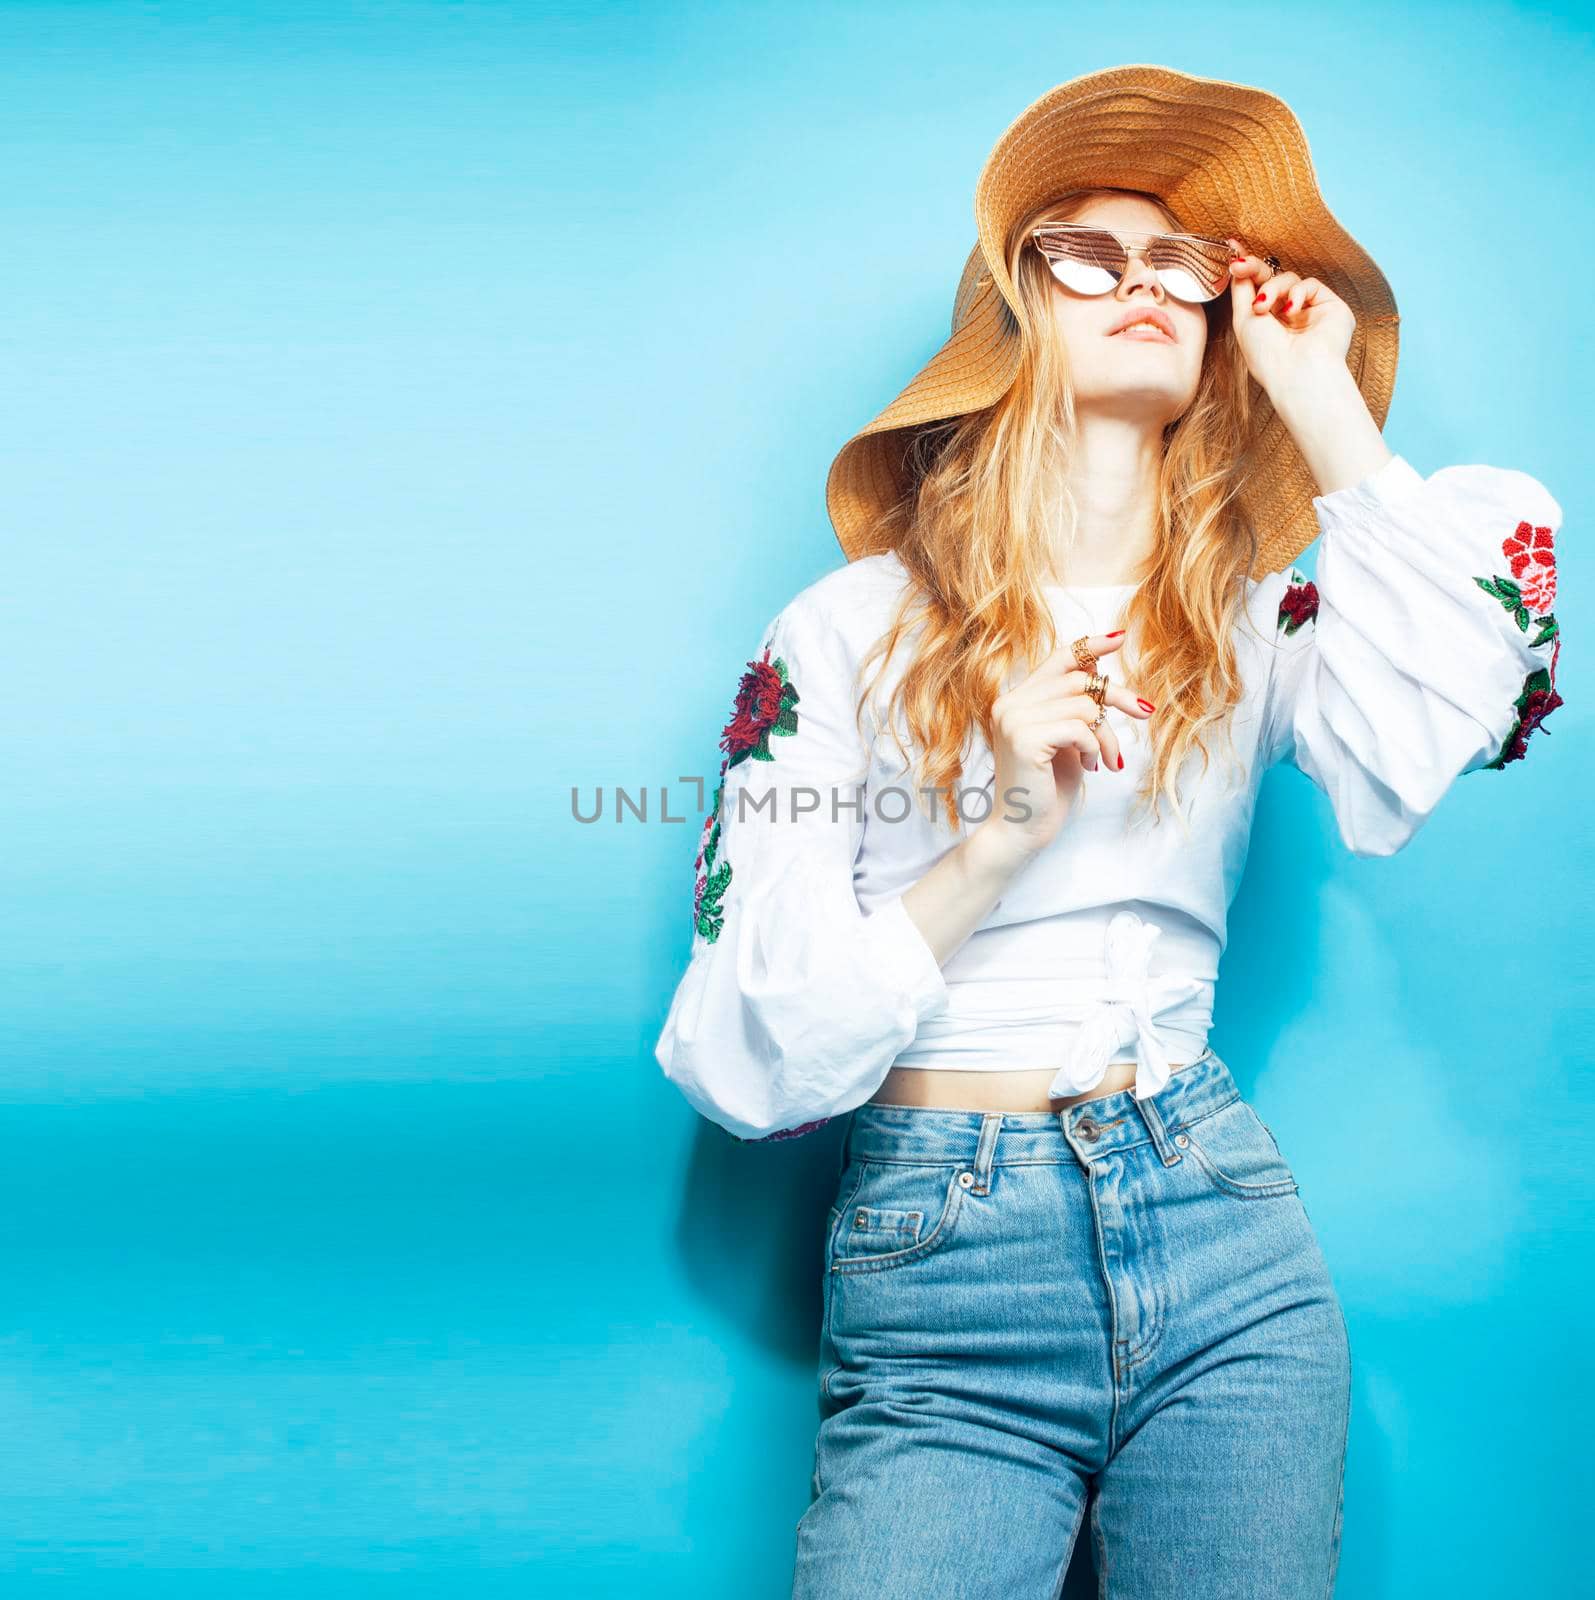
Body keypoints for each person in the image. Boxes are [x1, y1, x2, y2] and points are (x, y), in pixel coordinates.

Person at [653, 65, 1564, 1598]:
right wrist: (996, 839)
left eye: (1181, 266)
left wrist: (1320, 392)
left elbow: (1463, 698)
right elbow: (741, 1056)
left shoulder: (1259, 623)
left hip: (1223, 1239)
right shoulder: (850, 629)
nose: (1141, 281)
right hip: (949, 1258)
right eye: (1089, 252)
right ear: (1018, 312)